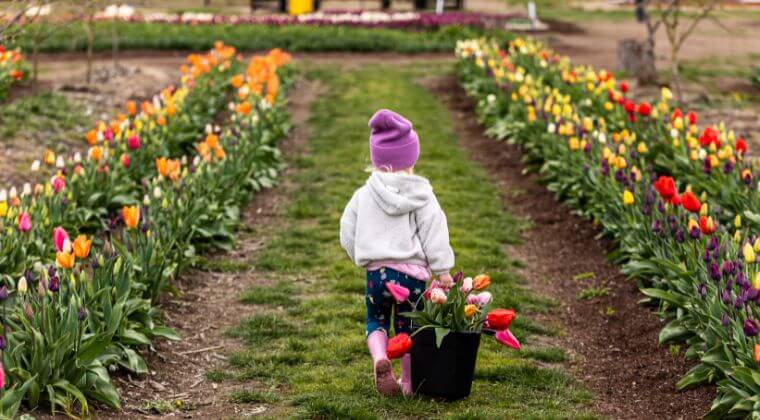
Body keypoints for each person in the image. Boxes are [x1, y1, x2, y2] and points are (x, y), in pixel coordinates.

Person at [339, 109, 455, 396]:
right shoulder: (422, 195)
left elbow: (346, 230)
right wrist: (442, 270)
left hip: (376, 275)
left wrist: (361, 256)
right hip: (410, 278)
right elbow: (434, 232)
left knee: (375, 319)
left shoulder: (363, 194)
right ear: (411, 158)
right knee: (409, 329)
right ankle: (408, 383)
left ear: (377, 158)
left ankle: (380, 357)